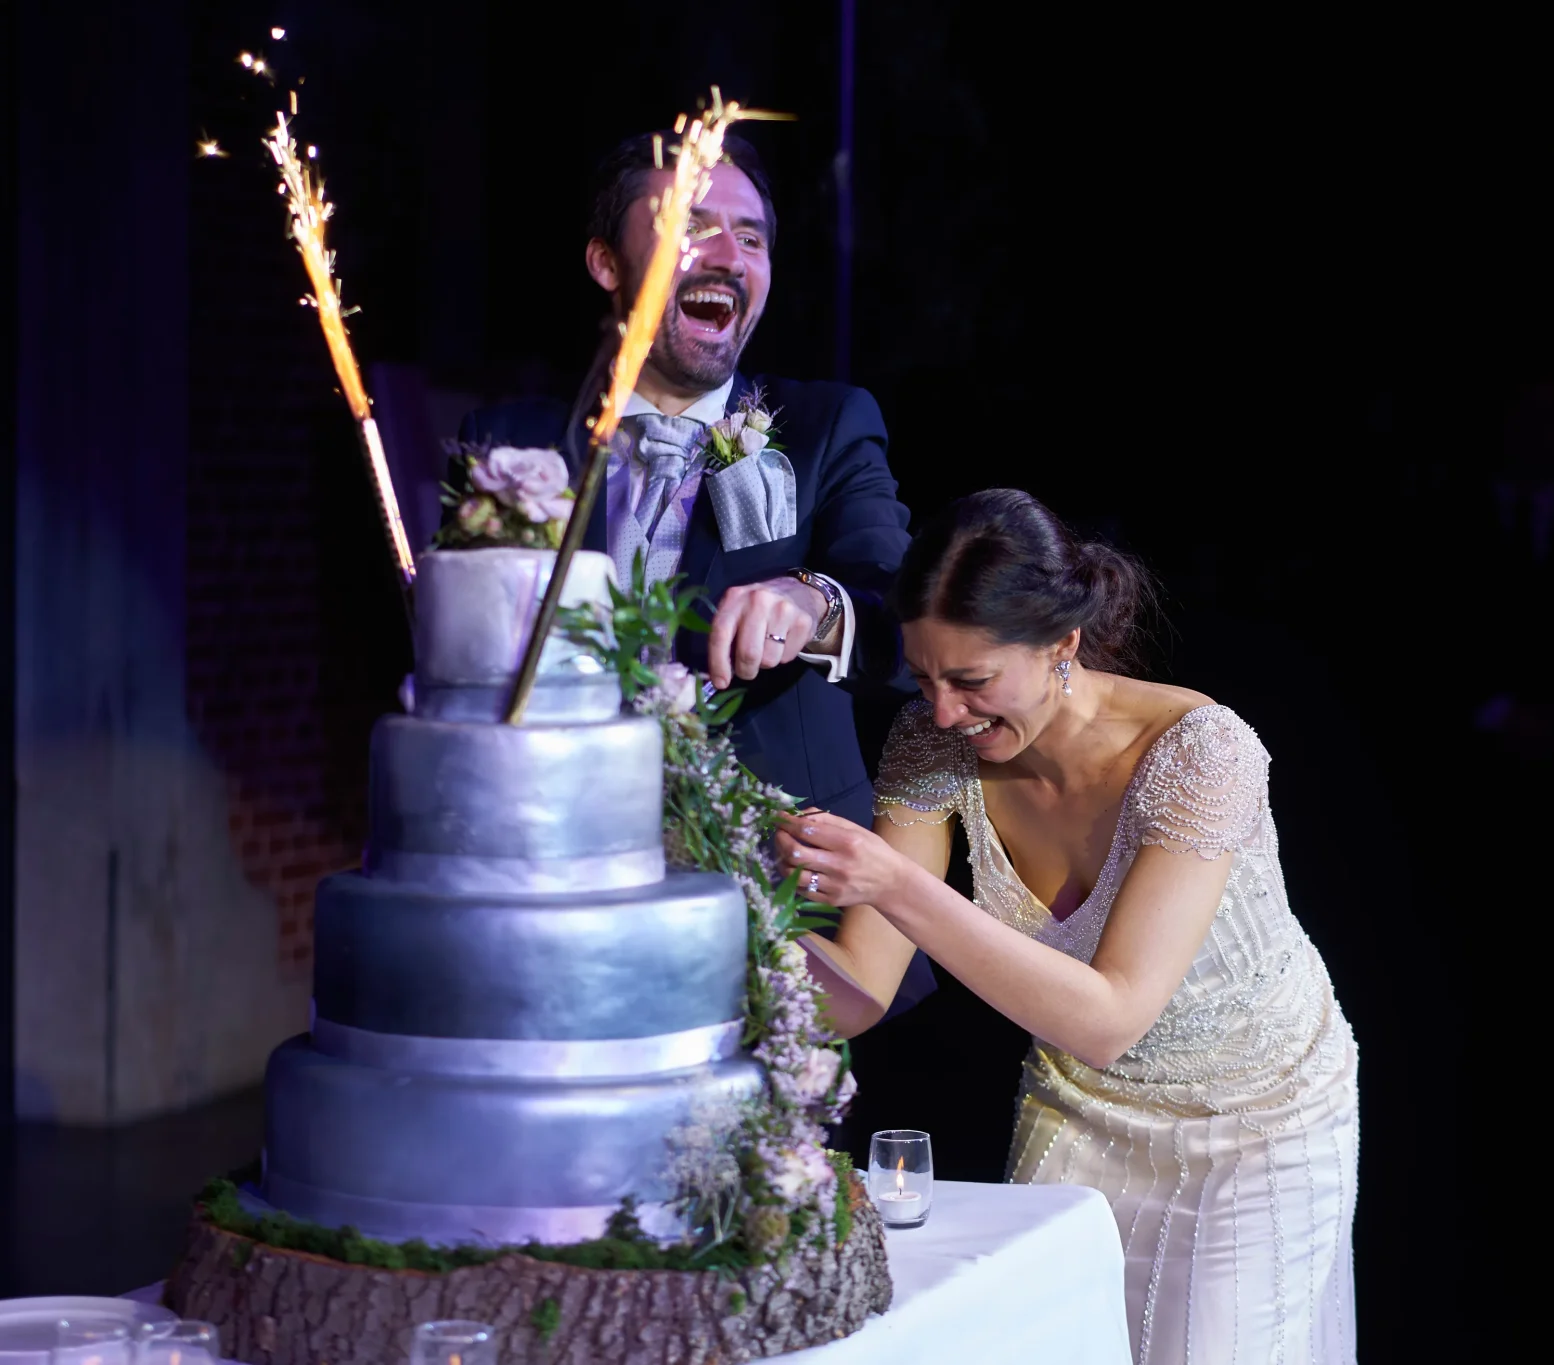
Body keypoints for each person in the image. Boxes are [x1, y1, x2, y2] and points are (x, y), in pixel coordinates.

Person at [776, 489, 1359, 1362]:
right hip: (1081, 1111)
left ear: (1063, 644)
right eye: (925, 677)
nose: (942, 711)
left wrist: (897, 883)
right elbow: (857, 995)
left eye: (971, 680)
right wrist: (733, 915)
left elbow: (1108, 1018)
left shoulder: (1202, 751)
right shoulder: (932, 746)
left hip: (1258, 1123)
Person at [456, 132, 932, 1013]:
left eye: (751, 238)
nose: (728, 253)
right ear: (606, 262)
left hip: (786, 915)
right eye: (691, 225)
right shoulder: (511, 448)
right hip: (559, 894)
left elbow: (912, 630)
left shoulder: (828, 426)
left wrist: (814, 604)